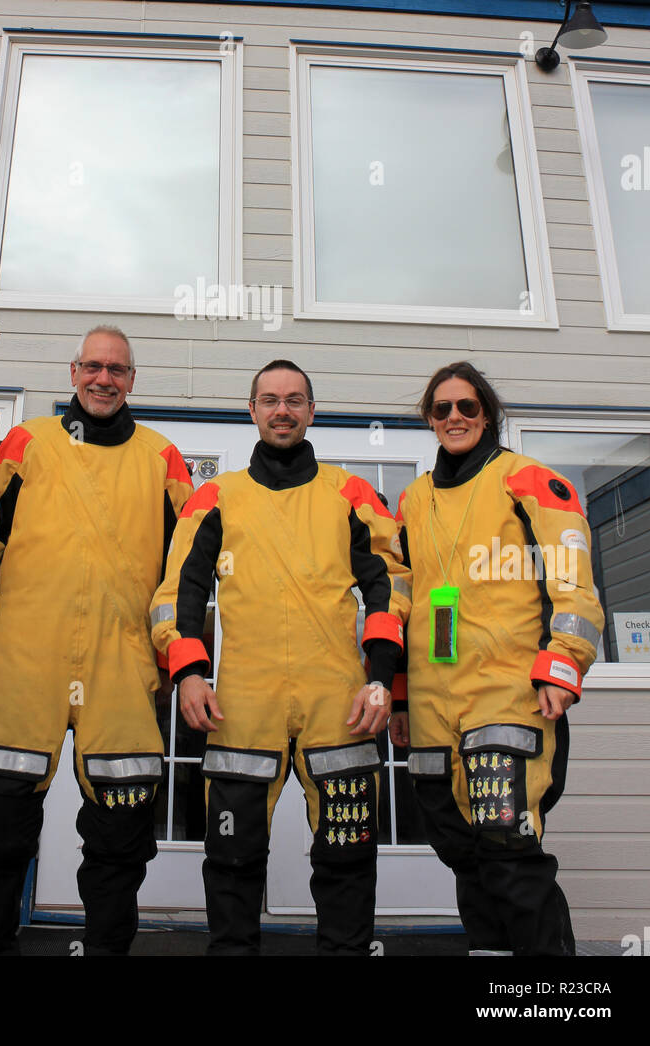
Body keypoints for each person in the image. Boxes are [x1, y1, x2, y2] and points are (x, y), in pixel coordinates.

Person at [150, 359, 411, 956]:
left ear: (311, 411)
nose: (282, 410)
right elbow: (179, 594)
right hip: (242, 708)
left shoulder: (350, 493)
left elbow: (390, 587)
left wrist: (380, 680)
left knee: (347, 860)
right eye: (270, 400)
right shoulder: (217, 497)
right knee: (232, 860)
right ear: (253, 411)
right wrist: (188, 671)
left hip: (339, 705)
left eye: (294, 400)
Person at [0, 325, 192, 956]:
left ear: (132, 380)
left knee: (120, 837)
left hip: (123, 667)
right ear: (73, 371)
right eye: (93, 366)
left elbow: (181, 570)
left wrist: (162, 648)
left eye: (117, 369)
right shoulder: (26, 441)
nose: (103, 379)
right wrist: (43, 597)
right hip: (23, 664)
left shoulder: (163, 457)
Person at [389, 361, 604, 957]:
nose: (455, 417)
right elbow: (402, 604)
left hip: (509, 696)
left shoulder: (530, 480)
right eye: (442, 408)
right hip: (434, 708)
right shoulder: (412, 500)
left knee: (510, 848)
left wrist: (564, 663)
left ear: (488, 414)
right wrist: (401, 695)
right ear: (429, 420)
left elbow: (573, 582)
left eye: (467, 407)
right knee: (461, 852)